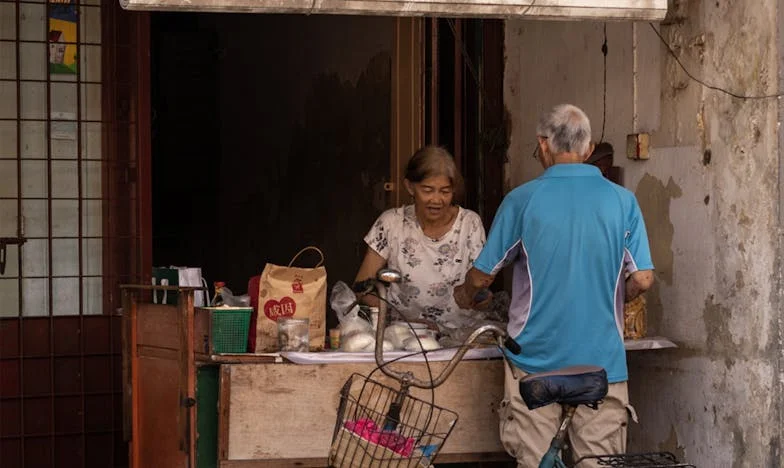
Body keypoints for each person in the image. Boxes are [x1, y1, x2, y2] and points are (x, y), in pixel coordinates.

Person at [454, 104, 654, 467]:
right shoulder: (623, 201)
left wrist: (466, 295)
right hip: (602, 364)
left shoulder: (522, 200)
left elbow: (483, 276)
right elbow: (642, 277)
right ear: (589, 149)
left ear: (543, 145)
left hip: (534, 362)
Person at [354, 145, 487, 331]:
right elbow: (362, 288)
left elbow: (480, 289)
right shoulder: (391, 223)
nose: (436, 200)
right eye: (428, 190)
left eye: (445, 191)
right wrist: (400, 321)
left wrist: (478, 297)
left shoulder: (470, 224)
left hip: (459, 337)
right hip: (404, 336)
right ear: (410, 187)